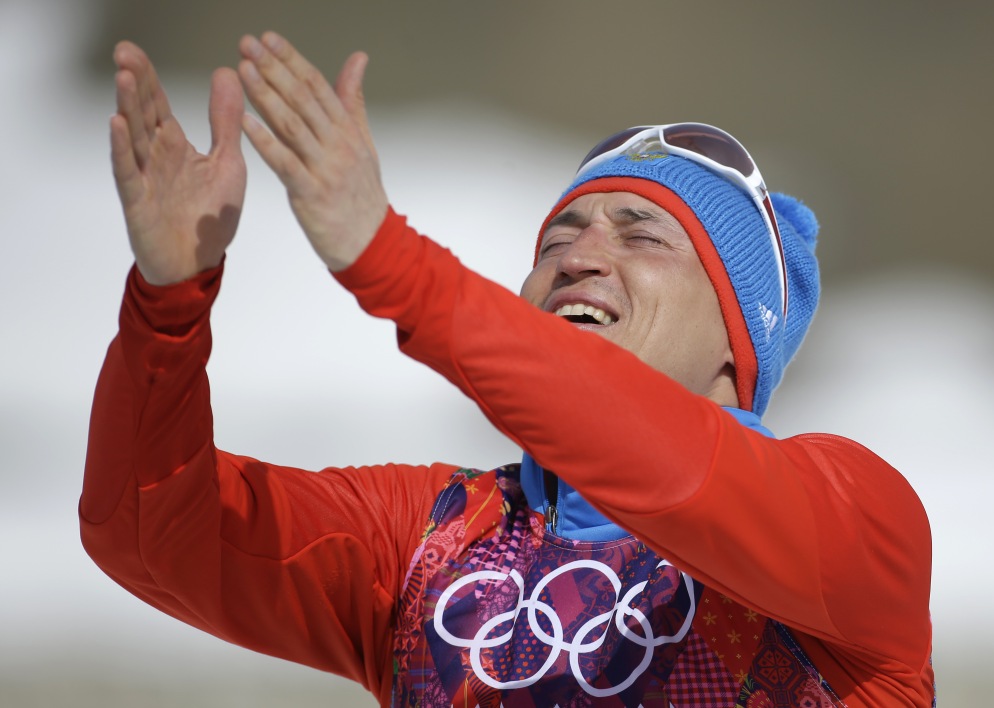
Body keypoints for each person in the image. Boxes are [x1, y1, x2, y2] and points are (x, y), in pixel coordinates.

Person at [80, 31, 935, 707]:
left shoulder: (856, 521)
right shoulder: (427, 534)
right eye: (557, 240)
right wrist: (168, 299)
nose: (579, 257)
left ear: (735, 339)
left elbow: (675, 470)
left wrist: (394, 264)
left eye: (641, 235)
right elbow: (149, 536)